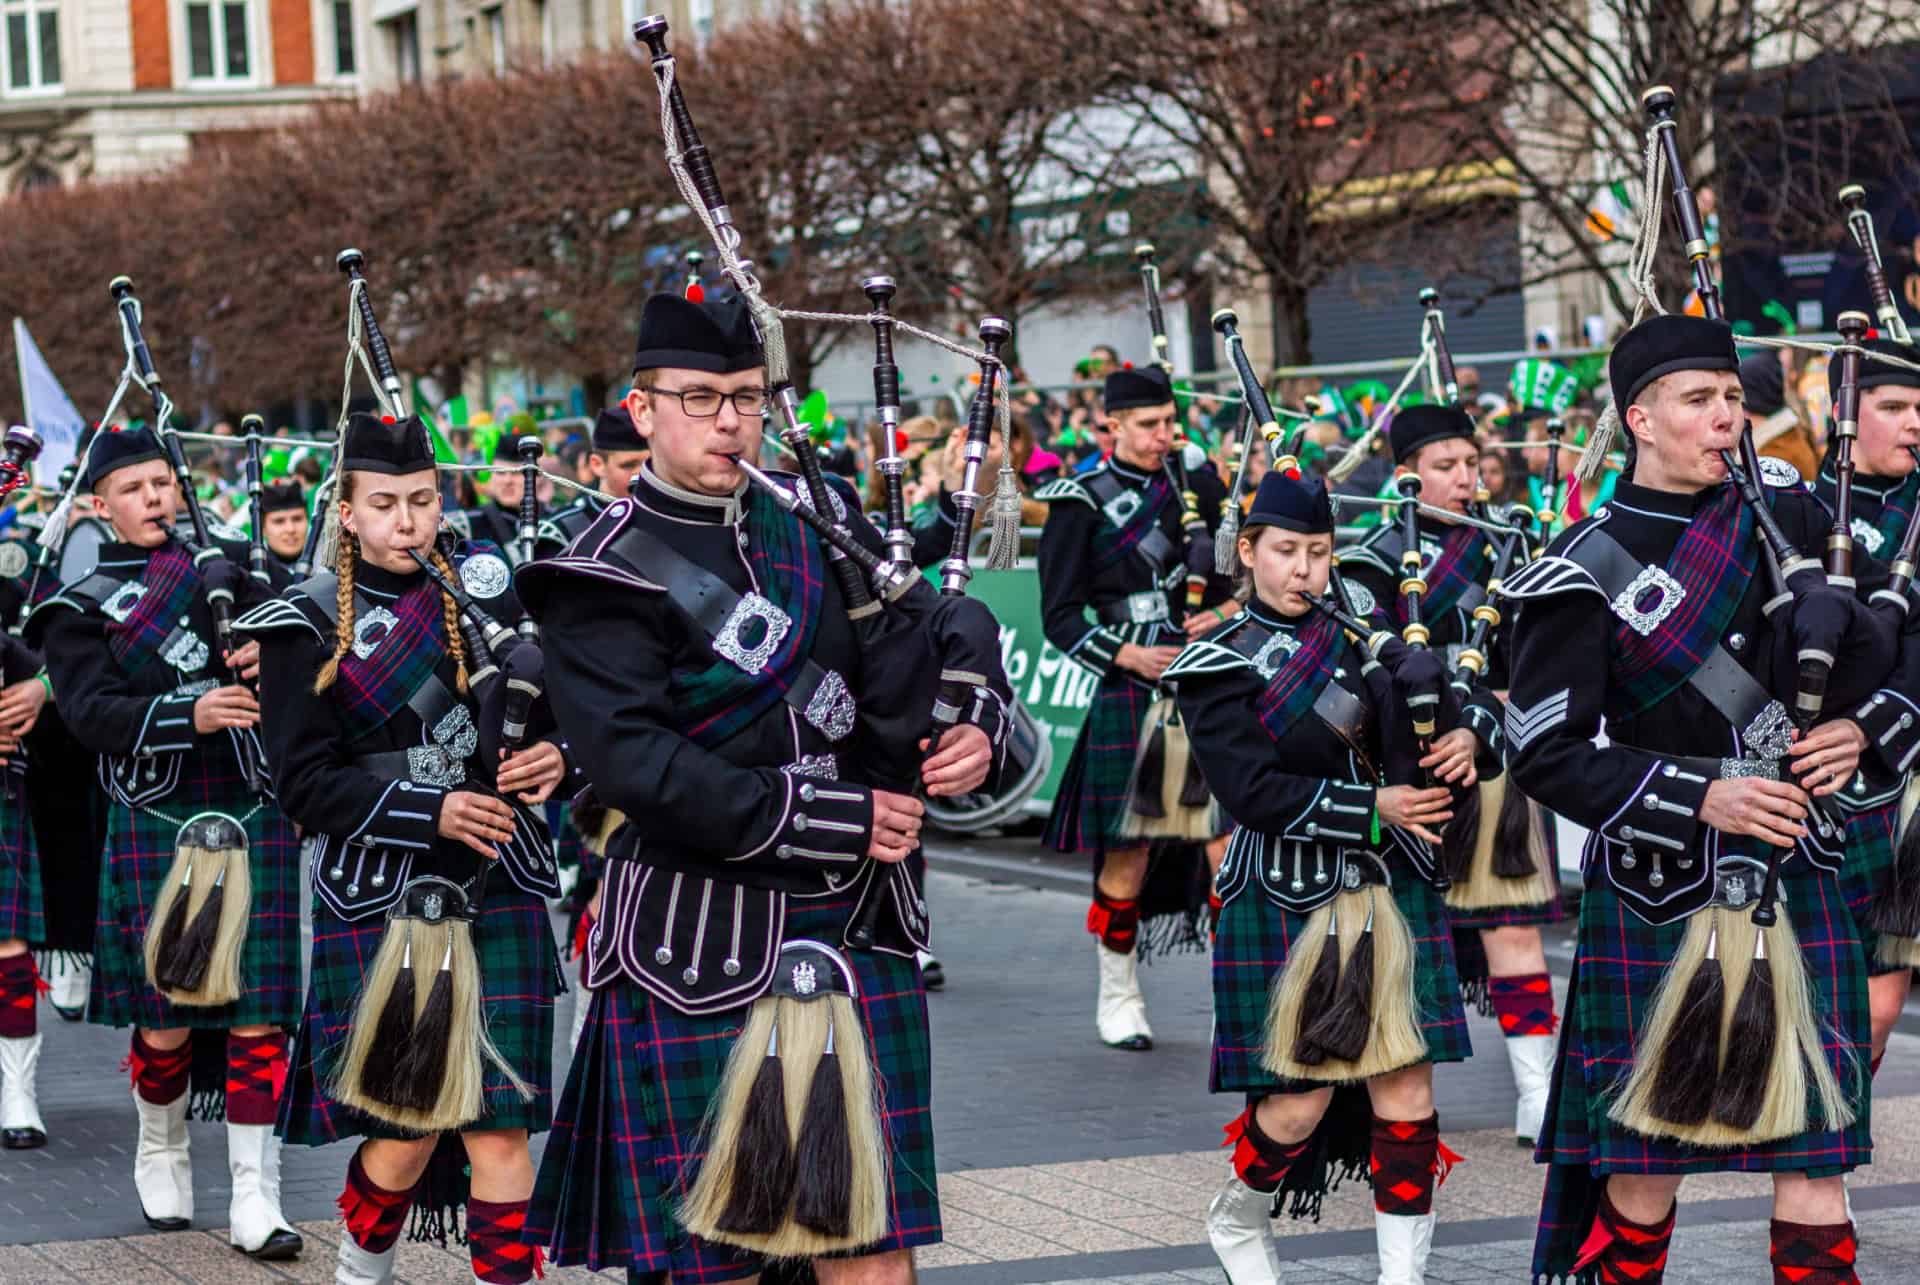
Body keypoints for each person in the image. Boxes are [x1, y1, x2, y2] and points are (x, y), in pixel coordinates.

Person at [517, 292, 1010, 1284]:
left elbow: (933, 637)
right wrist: (843, 816)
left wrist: (973, 719)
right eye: (701, 398)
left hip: (853, 922)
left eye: (747, 397)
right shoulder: (596, 575)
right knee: (721, 1260)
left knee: (872, 1255)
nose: (730, 420)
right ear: (643, 407)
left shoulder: (819, 519)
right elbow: (639, 770)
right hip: (694, 942)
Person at [1502, 314, 1881, 1284]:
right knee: (1642, 1174)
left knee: (1816, 1164)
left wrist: (1871, 724)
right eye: (1699, 400)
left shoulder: (1794, 518)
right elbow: (1544, 754)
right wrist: (1698, 796)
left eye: (1732, 399)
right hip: (1662, 887)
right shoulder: (1581, 565)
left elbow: (1904, 633)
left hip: (1800, 870)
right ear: (1640, 417)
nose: (1727, 419)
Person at [236, 410, 568, 1285]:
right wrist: (430, 809)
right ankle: (362, 1264)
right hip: (379, 891)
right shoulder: (299, 622)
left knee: (500, 1122)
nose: (408, 521)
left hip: (497, 879)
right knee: (407, 1128)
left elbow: (568, 715)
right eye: (383, 503)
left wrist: (555, 756)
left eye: (421, 499)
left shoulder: (491, 597)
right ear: (344, 511)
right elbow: (299, 783)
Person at [1168, 470, 1470, 1285]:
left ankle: (1402, 1277)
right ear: (1248, 551)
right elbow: (1253, 794)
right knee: (1298, 1103)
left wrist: (1468, 741)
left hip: (1389, 891)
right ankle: (1237, 1214)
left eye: (1320, 552)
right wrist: (1377, 809)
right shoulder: (1215, 663)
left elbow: (1434, 725)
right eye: (1287, 551)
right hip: (1286, 894)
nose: (1305, 570)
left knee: (1405, 1087)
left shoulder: (1369, 639)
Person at [28, 427, 302, 1258]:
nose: (154, 498)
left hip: (251, 807)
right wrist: (190, 713)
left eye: (162, 483)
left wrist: (269, 653)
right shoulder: (76, 609)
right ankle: (162, 1144)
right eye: (134, 487)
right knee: (169, 1015)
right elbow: (90, 716)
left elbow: (311, 660)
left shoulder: (236, 573)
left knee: (260, 1016)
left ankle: (259, 1194)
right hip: (159, 818)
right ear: (97, 504)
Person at [1336, 405, 1556, 1144]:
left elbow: (1541, 659)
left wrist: (1484, 723)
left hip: (1490, 757)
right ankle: (1381, 1085)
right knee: (1390, 934)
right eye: (1446, 466)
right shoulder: (1367, 562)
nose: (1467, 479)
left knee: (1512, 925)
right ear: (1407, 476)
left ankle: (1537, 1091)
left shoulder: (1509, 545)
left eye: (1471, 462)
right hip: (1410, 774)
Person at [1035, 364, 1226, 1052]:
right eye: (1148, 425)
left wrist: (1226, 611)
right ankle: (1119, 994)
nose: (1163, 436)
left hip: (1205, 682)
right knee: (1128, 856)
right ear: (1110, 425)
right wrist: (1126, 656)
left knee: (1226, 849)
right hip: (1131, 684)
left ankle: (1235, 995)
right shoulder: (1078, 500)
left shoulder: (1198, 482)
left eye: (1169, 423)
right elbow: (1059, 617)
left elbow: (1236, 576)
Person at [1810, 334, 1920, 1073]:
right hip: (1808, 769)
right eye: (1894, 406)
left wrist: (1874, 721)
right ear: (1843, 412)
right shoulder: (1793, 506)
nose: (1915, 422)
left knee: (1878, 1005)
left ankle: (1831, 1146)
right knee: (1821, 989)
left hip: (1898, 763)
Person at [536, 406, 648, 558]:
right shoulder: (564, 529)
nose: (641, 473)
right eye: (628, 465)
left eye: (649, 463)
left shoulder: (668, 515)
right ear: (597, 465)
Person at [256, 479, 310, 577]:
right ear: (262, 528)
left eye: (297, 519)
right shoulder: (252, 572)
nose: (290, 529)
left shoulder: (328, 568)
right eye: (279, 521)